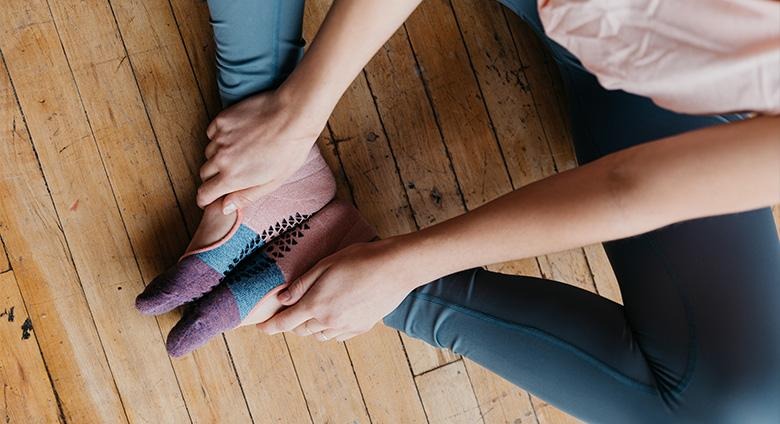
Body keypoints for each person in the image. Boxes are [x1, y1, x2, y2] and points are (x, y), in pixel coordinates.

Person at [180, 0, 780, 422]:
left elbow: (634, 189)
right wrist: (298, 111)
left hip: (663, 78)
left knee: (729, 407)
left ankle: (327, 251)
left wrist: (400, 269)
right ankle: (267, 160)